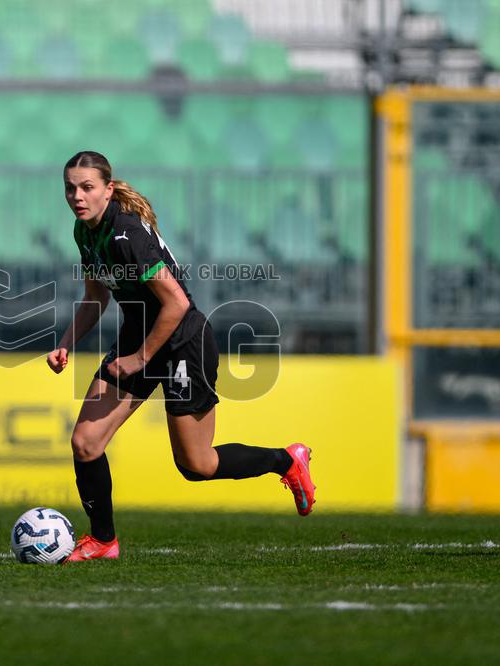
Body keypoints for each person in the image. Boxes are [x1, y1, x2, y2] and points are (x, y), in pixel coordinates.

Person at [48, 151, 316, 562]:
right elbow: (94, 297)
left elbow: (175, 303)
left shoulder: (126, 234)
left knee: (196, 465)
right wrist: (67, 340)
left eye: (87, 187)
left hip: (183, 341)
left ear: (108, 188)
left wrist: (140, 359)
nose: (77, 196)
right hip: (142, 337)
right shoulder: (85, 231)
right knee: (85, 443)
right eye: (71, 188)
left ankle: (286, 460)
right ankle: (103, 541)